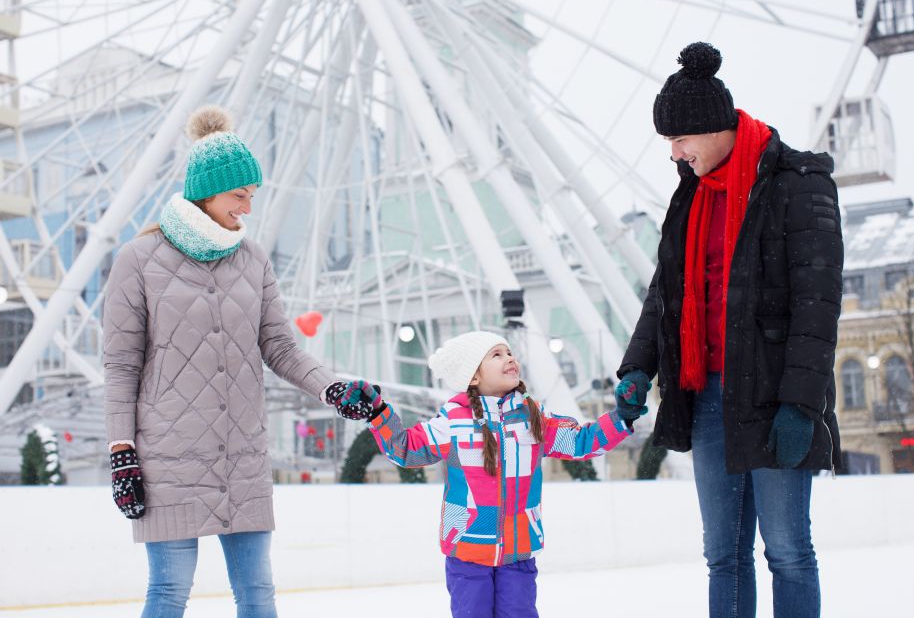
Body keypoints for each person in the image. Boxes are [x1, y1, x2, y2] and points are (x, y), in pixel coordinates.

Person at [103, 105, 373, 618]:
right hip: (168, 459)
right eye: (238, 196)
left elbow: (280, 346)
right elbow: (121, 366)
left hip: (242, 456)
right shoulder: (137, 260)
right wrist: (122, 452)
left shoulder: (252, 260)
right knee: (168, 593)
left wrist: (332, 389)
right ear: (206, 191)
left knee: (258, 595)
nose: (247, 209)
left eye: (252, 197)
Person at [615, 42, 843, 618]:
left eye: (680, 138)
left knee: (788, 550)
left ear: (715, 127)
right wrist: (638, 366)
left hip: (773, 397)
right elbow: (666, 293)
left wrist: (800, 405)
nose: (674, 152)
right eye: (668, 141)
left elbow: (817, 309)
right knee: (723, 555)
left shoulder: (799, 183)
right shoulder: (689, 197)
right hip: (707, 394)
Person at [334, 330, 637, 618]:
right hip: (467, 553)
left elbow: (581, 441)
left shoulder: (533, 416)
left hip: (518, 553)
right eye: (496, 354)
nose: (509, 358)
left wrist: (621, 417)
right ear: (474, 375)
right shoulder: (453, 420)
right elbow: (406, 448)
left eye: (509, 352)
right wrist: (377, 413)